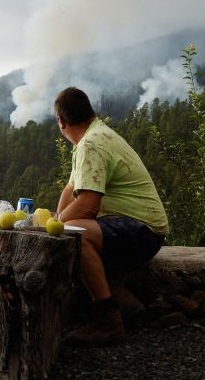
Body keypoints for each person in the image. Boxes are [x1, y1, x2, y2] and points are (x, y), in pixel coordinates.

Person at [53, 87, 169, 346]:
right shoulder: (95, 136)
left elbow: (87, 207)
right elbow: (71, 188)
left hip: (143, 231)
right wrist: (56, 218)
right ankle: (127, 303)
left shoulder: (91, 145)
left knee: (74, 234)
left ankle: (108, 320)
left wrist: (58, 224)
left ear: (61, 121)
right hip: (139, 226)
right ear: (90, 112)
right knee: (66, 227)